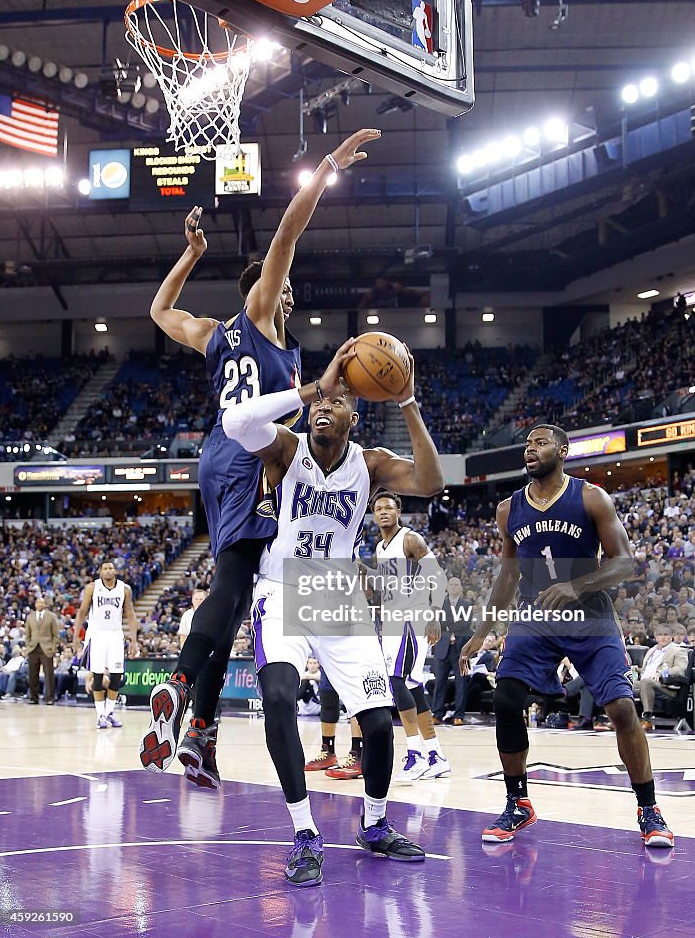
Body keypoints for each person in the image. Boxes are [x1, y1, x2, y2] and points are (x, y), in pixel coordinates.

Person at [143, 338, 444, 885]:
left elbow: (430, 482)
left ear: (357, 413)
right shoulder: (286, 448)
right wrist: (311, 388)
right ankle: (305, 832)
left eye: (339, 401)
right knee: (279, 700)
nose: (327, 408)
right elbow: (235, 422)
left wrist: (407, 402)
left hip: (338, 596)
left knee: (378, 725)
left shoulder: (370, 464)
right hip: (281, 591)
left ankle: (374, 825)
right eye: (322, 403)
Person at [143, 129, 380, 790]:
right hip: (249, 456)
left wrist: (190, 253)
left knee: (241, 587)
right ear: (267, 293)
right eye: (284, 289)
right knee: (232, 585)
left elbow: (159, 310)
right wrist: (326, 169)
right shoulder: (262, 317)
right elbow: (284, 236)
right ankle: (183, 687)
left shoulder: (214, 337)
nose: (291, 293)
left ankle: (200, 731)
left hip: (217, 458)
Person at [461, 423, 674, 848]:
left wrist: (577, 586)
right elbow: (507, 575)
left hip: (590, 616)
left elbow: (624, 562)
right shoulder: (508, 510)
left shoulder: (591, 497)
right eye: (527, 444)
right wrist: (481, 632)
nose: (530, 449)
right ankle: (518, 803)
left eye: (540, 443)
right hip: (534, 617)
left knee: (620, 709)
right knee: (505, 698)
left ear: (563, 450)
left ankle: (648, 808)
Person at [369, 491, 450, 782]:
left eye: (389, 507)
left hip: (412, 620)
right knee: (413, 686)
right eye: (378, 509)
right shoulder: (379, 548)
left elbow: (437, 576)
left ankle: (415, 753)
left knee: (397, 681)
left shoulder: (410, 539)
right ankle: (435, 755)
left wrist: (435, 615)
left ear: (398, 510)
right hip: (392, 623)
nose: (383, 512)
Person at [73, 561, 138, 729]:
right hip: (97, 634)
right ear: (100, 572)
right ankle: (100, 714)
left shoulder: (124, 589)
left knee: (117, 675)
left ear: (115, 571)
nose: (109, 571)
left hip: (116, 634)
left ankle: (109, 712)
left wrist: (134, 640)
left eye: (111, 568)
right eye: (105, 568)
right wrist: (75, 637)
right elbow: (81, 612)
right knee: (98, 674)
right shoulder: (92, 588)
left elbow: (130, 614)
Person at [431, 577, 474, 725]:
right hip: (442, 647)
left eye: (457, 584)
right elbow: (438, 622)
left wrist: (447, 626)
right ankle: (436, 714)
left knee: (461, 683)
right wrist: (452, 624)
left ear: (461, 588)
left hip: (461, 649)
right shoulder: (439, 604)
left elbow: (465, 623)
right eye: (451, 584)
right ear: (447, 587)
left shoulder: (467, 605)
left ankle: (459, 715)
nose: (454, 587)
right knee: (440, 682)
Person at [633, 625, 689, 730]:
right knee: (624, 685)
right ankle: (618, 718)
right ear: (656, 637)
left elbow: (680, 669)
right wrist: (637, 669)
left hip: (666, 687)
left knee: (647, 682)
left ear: (671, 636)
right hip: (646, 682)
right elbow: (646, 671)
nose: (663, 637)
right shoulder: (651, 651)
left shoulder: (678, 651)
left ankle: (647, 719)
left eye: (666, 634)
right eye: (660, 634)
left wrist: (662, 673)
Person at [24, 596, 58, 705]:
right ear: (35, 604)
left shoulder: (51, 616)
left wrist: (53, 648)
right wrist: (28, 645)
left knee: (49, 674)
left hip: (46, 648)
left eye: (41, 602)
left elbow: (55, 634)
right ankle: (33, 697)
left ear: (45, 604)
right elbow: (27, 634)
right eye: (38, 602)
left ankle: (49, 697)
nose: (39, 604)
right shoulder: (30, 617)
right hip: (33, 648)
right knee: (32, 674)